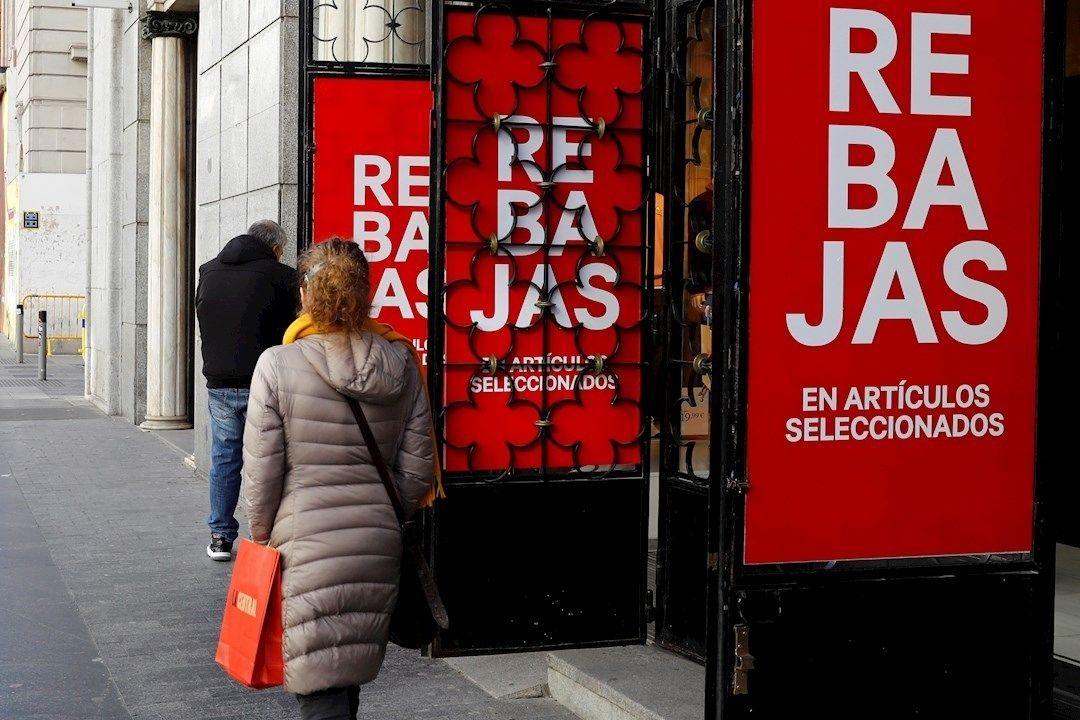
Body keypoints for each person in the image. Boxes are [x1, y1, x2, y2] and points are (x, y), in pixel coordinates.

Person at [241, 238, 435, 719]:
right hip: (375, 539)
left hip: (303, 541)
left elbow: (261, 472)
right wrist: (386, 515)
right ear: (364, 293)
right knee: (344, 671)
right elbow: (417, 469)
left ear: (307, 295)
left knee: (319, 683)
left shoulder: (277, 364)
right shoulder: (401, 362)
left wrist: (262, 535)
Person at [195, 220, 297, 561]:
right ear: (276, 248)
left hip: (221, 384)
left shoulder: (208, 271)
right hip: (265, 382)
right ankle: (265, 536)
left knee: (224, 459)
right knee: (268, 460)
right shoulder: (283, 276)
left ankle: (221, 537)